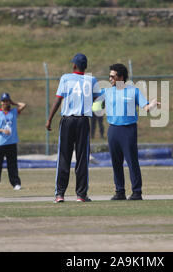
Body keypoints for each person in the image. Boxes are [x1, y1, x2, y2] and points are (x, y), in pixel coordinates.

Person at [98, 63, 158, 201]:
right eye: (109, 76)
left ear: (121, 77)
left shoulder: (133, 91)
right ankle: (120, 191)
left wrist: (153, 104)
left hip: (128, 130)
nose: (110, 79)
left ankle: (137, 192)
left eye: (113, 76)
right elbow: (93, 100)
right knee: (116, 162)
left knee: (132, 161)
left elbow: (146, 107)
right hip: (113, 130)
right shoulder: (107, 92)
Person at [45, 53, 100, 203]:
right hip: (83, 121)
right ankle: (81, 195)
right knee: (82, 158)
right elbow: (99, 98)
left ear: (74, 65)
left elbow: (58, 100)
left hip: (68, 120)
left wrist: (49, 119)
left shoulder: (65, 78)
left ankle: (59, 194)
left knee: (64, 156)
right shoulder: (91, 80)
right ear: (85, 66)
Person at [0, 93, 26, 191]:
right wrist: (2, 130)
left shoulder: (13, 112)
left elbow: (23, 105)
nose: (6, 103)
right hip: (0, 143)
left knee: (12, 164)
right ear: (1, 102)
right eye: (4, 101)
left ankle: (15, 183)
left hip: (11, 142)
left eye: (7, 101)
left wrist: (13, 102)